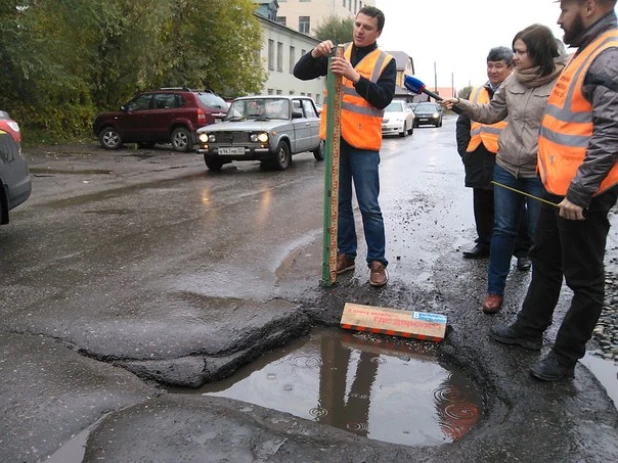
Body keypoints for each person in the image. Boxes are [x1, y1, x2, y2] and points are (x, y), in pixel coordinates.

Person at [489, 0, 618, 382]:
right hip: (554, 185)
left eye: (564, 9)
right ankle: (530, 330)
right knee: (546, 259)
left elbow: (611, 134)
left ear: (590, 6)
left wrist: (580, 193)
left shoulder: (607, 56)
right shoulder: (586, 52)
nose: (559, 19)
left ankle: (564, 357)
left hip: (582, 195)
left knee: (585, 280)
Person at [442, 24, 568, 313]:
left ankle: (536, 304)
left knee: (539, 235)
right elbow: (490, 113)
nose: (516, 58)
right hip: (507, 166)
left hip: (540, 172)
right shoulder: (512, 83)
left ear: (537, 53)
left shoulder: (561, 83)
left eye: (521, 52)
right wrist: (460, 104)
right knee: (503, 229)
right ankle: (494, 291)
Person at [293, 6, 396, 287]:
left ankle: (377, 263)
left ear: (378, 32)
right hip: (335, 139)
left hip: (363, 145)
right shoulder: (337, 52)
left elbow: (382, 98)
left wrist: (354, 75)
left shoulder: (383, 62)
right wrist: (314, 54)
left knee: (369, 206)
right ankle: (346, 255)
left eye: (367, 27)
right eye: (358, 24)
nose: (360, 30)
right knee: (338, 204)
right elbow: (299, 72)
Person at [456, 46, 532, 269]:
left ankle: (523, 251)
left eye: (499, 65)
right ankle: (485, 244)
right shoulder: (476, 91)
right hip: (478, 155)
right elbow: (463, 123)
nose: (493, 70)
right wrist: (465, 151)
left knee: (514, 207)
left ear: (511, 67)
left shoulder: (519, 92)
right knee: (482, 203)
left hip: (506, 157)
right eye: (490, 65)